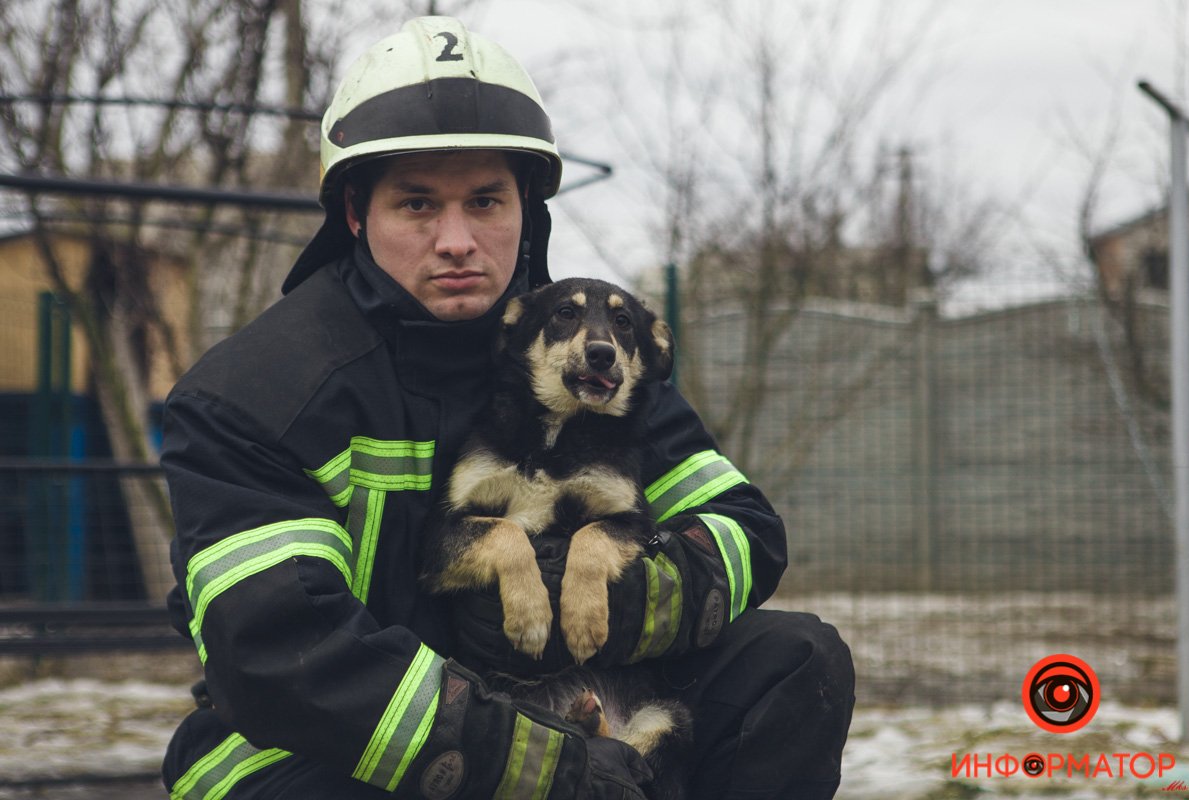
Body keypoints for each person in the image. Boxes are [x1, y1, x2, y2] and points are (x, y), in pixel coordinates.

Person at [160, 16, 854, 800]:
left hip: (579, 705)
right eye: (417, 205)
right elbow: (281, 658)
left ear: (527, 207)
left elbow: (745, 532)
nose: (457, 240)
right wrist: (544, 767)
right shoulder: (256, 393)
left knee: (795, 660)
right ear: (356, 213)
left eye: (485, 202)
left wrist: (623, 602)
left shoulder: (584, 361)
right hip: (319, 754)